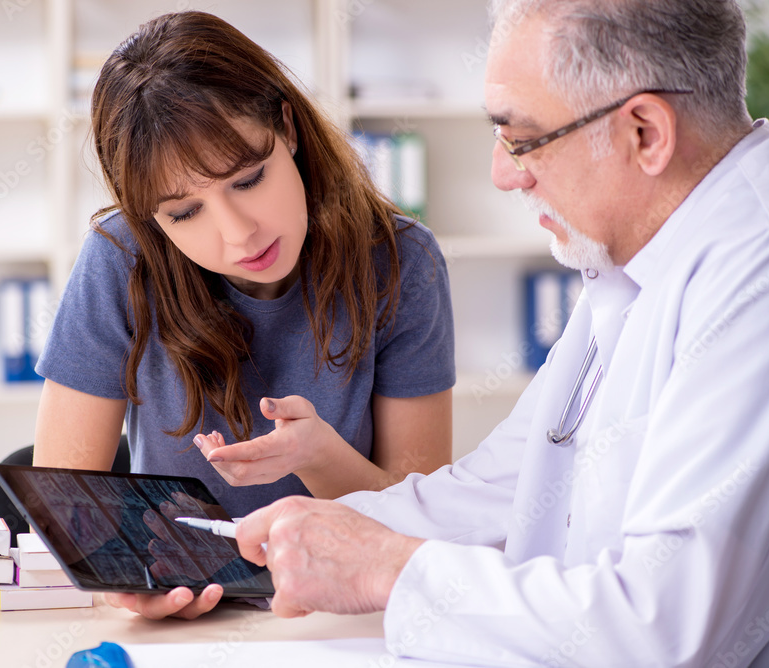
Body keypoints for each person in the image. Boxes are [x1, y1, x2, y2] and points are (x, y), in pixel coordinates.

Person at [204, 1, 769, 664]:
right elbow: (497, 488)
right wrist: (260, 545)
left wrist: (387, 568)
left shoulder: (768, 270)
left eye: (521, 137)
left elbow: (659, 628)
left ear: (646, 134)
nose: (503, 174)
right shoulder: (636, 271)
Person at [31, 11, 456, 617]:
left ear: (288, 127)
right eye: (183, 213)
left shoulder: (401, 262)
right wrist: (128, 588)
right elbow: (69, 515)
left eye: (249, 179)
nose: (238, 234)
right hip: (187, 630)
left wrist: (318, 456)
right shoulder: (119, 260)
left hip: (341, 620)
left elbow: (421, 527)